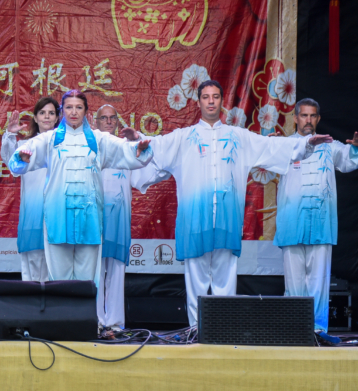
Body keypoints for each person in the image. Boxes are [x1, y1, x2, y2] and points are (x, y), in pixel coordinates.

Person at [129, 80, 331, 328]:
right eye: (206, 97)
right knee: (196, 282)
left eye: (215, 97)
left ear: (221, 101)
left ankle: (223, 331)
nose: (211, 101)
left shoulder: (238, 136)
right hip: (195, 221)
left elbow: (271, 146)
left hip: (227, 221)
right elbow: (156, 147)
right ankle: (196, 331)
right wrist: (138, 140)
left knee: (225, 282)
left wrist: (305, 143)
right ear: (199, 102)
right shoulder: (183, 138)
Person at [9, 90, 152, 287]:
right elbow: (21, 158)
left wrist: (138, 149)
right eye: (69, 107)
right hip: (58, 217)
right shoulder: (50, 139)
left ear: (86, 111)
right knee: (59, 283)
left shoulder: (99, 139)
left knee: (87, 282)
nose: (74, 112)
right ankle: (61, 309)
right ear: (62, 111)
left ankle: (86, 308)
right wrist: (21, 158)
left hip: (89, 219)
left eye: (78, 107)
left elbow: (123, 149)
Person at [274, 98, 358, 343]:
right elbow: (266, 165)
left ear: (318, 119)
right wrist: (269, 147)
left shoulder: (330, 145)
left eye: (312, 116)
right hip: (292, 224)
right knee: (294, 284)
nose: (308, 120)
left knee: (318, 283)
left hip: (321, 224)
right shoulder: (285, 146)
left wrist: (356, 149)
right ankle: (294, 332)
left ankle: (318, 332)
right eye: (304, 115)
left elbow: (349, 160)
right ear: (295, 118)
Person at [0, 96, 58, 283]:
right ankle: (31, 301)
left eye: (51, 113)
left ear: (57, 118)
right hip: (33, 212)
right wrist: (10, 135)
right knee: (32, 264)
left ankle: (55, 301)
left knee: (57, 266)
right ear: (35, 117)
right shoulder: (24, 146)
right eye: (42, 113)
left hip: (58, 213)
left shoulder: (65, 147)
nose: (47, 117)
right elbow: (11, 164)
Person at [93, 104, 131, 333]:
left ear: (117, 121)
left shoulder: (126, 148)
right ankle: (96, 321)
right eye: (103, 118)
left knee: (116, 271)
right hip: (93, 219)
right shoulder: (89, 149)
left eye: (112, 118)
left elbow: (146, 170)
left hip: (118, 221)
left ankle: (115, 323)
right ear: (95, 121)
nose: (108, 122)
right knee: (94, 272)